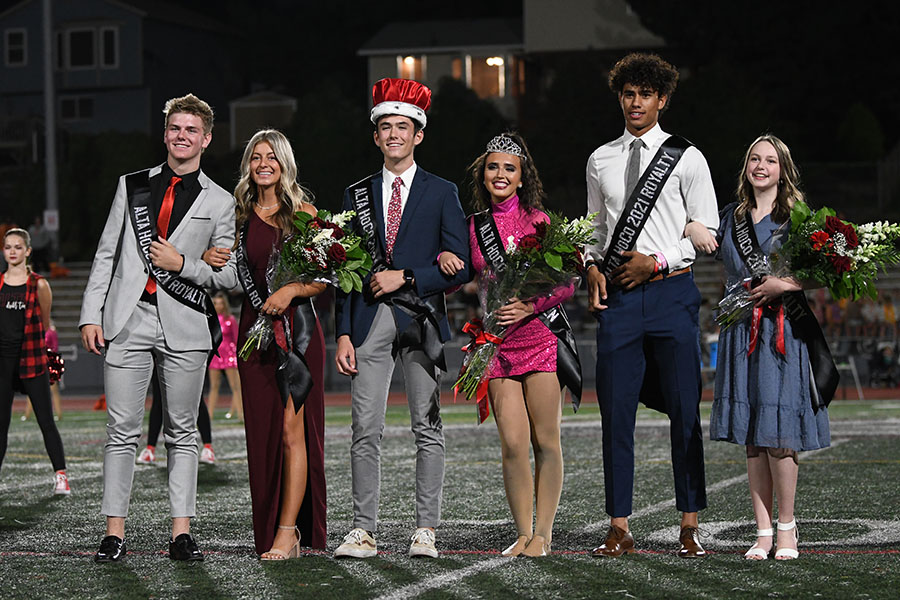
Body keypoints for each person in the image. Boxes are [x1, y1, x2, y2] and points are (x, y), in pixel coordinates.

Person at [79, 93, 238, 562]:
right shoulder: (131, 185)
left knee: (183, 430)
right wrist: (91, 314)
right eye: (175, 128)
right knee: (121, 430)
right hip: (127, 319)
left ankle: (181, 533)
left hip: (185, 322)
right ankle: (113, 533)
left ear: (206, 139)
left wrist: (183, 262)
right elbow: (106, 254)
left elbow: (228, 275)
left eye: (191, 130)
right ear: (164, 133)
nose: (181, 136)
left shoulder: (222, 201)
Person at [584, 53, 719, 558]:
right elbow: (595, 233)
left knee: (685, 409)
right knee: (615, 415)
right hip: (618, 300)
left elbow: (706, 232)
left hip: (672, 294)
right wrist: (593, 268)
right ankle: (619, 526)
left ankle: (689, 524)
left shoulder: (688, 157)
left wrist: (657, 262)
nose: (635, 101)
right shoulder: (600, 159)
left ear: (662, 99)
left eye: (645, 94)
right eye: (627, 93)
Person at [333, 78, 470, 559]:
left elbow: (462, 266)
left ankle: (425, 530)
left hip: (421, 322)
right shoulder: (356, 195)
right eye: (386, 127)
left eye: (403, 127)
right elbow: (343, 268)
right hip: (367, 322)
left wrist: (407, 276)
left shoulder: (443, 191)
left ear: (419, 134)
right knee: (364, 429)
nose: (394, 134)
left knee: (426, 427)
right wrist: (343, 332)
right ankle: (362, 530)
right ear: (376, 136)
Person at [439, 132, 579, 557]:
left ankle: (545, 534)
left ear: (522, 178)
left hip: (538, 338)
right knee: (513, 444)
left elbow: (567, 283)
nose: (500, 174)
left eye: (509, 169)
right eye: (493, 167)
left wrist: (529, 305)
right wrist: (444, 261)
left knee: (546, 441)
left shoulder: (539, 221)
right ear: (483, 175)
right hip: (496, 344)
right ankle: (522, 533)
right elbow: (461, 275)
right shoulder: (472, 226)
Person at [706, 134, 831, 560]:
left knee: (780, 436)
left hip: (783, 332)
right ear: (746, 166)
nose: (761, 166)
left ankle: (787, 530)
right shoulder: (729, 217)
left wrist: (786, 283)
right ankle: (761, 533)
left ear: (783, 169)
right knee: (754, 439)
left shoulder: (798, 216)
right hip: (741, 332)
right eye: (754, 159)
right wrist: (690, 227)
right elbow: (698, 241)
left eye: (770, 161)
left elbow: (828, 269)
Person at [226, 129, 327, 559]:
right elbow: (231, 271)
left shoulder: (302, 211)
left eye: (272, 157)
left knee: (291, 432)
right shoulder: (237, 214)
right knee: (263, 436)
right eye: (256, 157)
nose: (264, 163)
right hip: (254, 334)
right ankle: (270, 527)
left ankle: (290, 531)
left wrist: (290, 292)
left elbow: (324, 278)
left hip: (298, 332)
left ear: (284, 163)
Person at [0, 228, 70, 495]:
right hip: (3, 363)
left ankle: (61, 475)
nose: (13, 251)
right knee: (1, 425)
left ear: (28, 251)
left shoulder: (39, 283)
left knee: (45, 420)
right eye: (8, 247)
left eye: (18, 247)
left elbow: (43, 323)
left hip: (31, 358)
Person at [136, 368, 216, 465]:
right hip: (163, 356)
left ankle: (208, 447)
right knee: (159, 398)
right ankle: (150, 448)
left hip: (187, 357)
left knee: (195, 397)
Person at [207, 292, 242, 421]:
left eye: (221, 303)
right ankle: (208, 416)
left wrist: (237, 355)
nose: (219, 306)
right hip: (216, 356)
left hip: (229, 355)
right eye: (216, 303)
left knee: (235, 387)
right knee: (213, 386)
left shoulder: (230, 319)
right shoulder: (210, 319)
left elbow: (237, 338)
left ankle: (241, 415)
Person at [23, 321, 63, 421]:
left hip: (49, 362)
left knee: (53, 390)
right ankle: (27, 414)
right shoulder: (38, 330)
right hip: (38, 361)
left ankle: (59, 413)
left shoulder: (51, 331)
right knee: (32, 387)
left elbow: (55, 347)